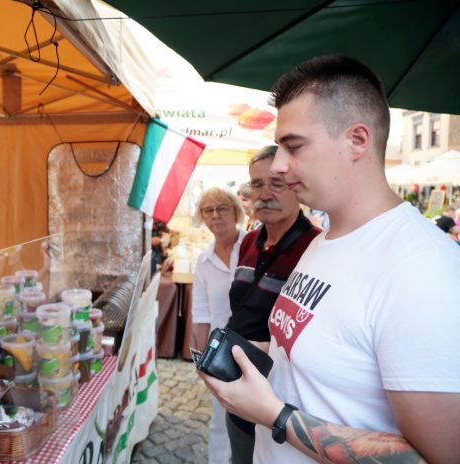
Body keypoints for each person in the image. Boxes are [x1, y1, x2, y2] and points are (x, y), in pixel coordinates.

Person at [200, 55, 460, 463]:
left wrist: (275, 415)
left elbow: (439, 456)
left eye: (294, 146)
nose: (279, 166)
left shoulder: (423, 269)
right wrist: (250, 354)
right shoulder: (324, 241)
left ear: (357, 140)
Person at [224, 146, 320, 463]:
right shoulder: (249, 241)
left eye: (276, 183)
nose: (265, 194)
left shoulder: (316, 246)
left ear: (296, 187)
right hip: (238, 383)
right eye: (257, 184)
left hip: (280, 397)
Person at [190, 187, 246, 464]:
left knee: (257, 422)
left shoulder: (253, 247)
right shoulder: (204, 261)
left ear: (235, 211)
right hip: (222, 353)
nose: (215, 215)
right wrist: (203, 360)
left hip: (257, 346)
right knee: (221, 419)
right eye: (208, 210)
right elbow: (201, 313)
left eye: (222, 208)